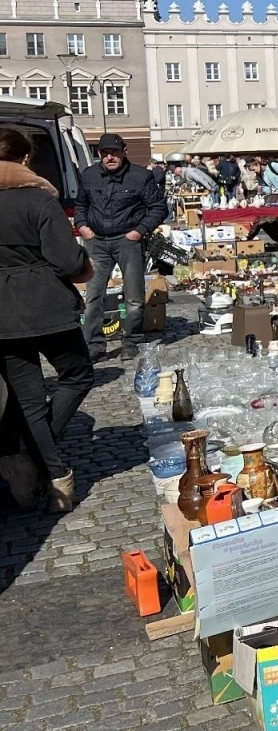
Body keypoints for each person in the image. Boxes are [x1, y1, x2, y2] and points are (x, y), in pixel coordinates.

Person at [0, 128, 97, 512]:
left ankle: (53, 473)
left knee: (26, 399)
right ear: (24, 160)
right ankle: (43, 460)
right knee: (78, 374)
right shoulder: (38, 200)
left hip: (3, 315)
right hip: (45, 305)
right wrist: (84, 267)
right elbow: (69, 261)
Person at [75, 133, 165, 362]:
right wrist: (82, 225)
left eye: (114, 152)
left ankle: (132, 340)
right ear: (99, 155)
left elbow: (158, 207)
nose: (109, 157)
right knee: (94, 295)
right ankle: (94, 344)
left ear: (124, 151)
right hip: (96, 241)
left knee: (133, 296)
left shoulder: (140, 176)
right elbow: (81, 204)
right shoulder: (89, 175)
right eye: (105, 153)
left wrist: (139, 231)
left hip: (128, 241)